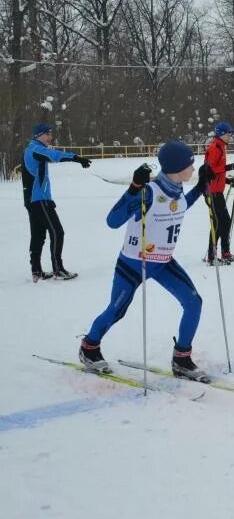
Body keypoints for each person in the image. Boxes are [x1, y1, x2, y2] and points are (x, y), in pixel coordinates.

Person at [78, 140, 213, 382]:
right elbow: (113, 221)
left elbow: (178, 207)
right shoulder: (148, 192)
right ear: (175, 167)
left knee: (194, 303)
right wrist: (133, 188)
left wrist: (201, 186)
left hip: (162, 262)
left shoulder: (176, 188)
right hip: (133, 263)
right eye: (190, 165)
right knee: (116, 311)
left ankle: (181, 359)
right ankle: (89, 347)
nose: (193, 169)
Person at [22, 122, 92, 281]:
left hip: (35, 200)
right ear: (38, 135)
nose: (50, 137)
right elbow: (54, 155)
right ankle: (58, 269)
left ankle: (36, 271)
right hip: (39, 201)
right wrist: (76, 158)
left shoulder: (31, 150)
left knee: (38, 235)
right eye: (47, 134)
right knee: (57, 232)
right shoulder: (35, 150)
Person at [204, 121, 234, 264]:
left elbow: (218, 172)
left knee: (224, 222)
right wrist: (232, 166)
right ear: (221, 134)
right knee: (218, 223)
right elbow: (210, 170)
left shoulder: (221, 147)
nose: (230, 137)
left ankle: (225, 252)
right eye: (228, 134)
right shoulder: (215, 148)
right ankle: (212, 256)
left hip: (218, 191)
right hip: (212, 192)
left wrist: (227, 181)